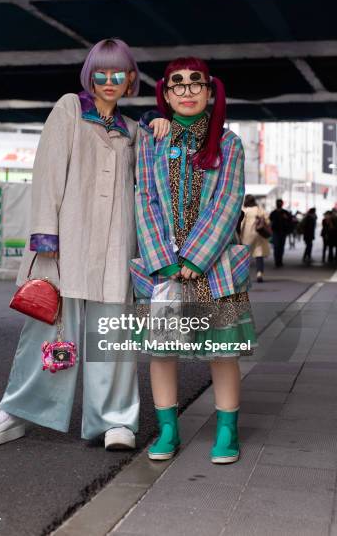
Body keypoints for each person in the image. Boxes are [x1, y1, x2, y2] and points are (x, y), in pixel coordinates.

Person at [0, 38, 170, 449]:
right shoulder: (69, 110)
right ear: (90, 75)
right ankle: (17, 412)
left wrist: (157, 122)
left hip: (116, 248)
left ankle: (116, 421)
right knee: (48, 330)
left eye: (119, 73)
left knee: (112, 334)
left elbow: (156, 182)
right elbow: (46, 173)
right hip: (66, 243)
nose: (110, 80)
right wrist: (45, 237)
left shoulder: (134, 131)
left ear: (131, 78)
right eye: (102, 72)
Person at [131, 57, 258, 464]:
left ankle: (227, 431)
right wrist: (165, 260)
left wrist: (196, 257)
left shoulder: (229, 142)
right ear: (166, 95)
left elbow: (227, 202)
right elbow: (145, 199)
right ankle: (168, 430)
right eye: (177, 85)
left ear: (209, 91)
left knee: (224, 351)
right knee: (163, 350)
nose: (187, 92)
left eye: (195, 84)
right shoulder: (152, 141)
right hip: (165, 266)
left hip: (214, 265)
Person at [240, 194, 271, 282]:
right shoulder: (259, 209)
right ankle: (259, 274)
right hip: (259, 234)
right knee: (259, 255)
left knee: (245, 256)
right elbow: (267, 220)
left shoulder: (245, 210)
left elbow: (241, 223)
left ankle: (243, 276)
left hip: (247, 235)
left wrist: (239, 234)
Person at [269, 199, 292, 267]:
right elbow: (270, 221)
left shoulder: (285, 212)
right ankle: (277, 261)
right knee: (276, 247)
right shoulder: (273, 213)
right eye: (278, 203)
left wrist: (287, 218)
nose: (279, 204)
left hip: (283, 232)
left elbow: (290, 220)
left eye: (280, 203)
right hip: (275, 232)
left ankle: (280, 261)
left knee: (281, 247)